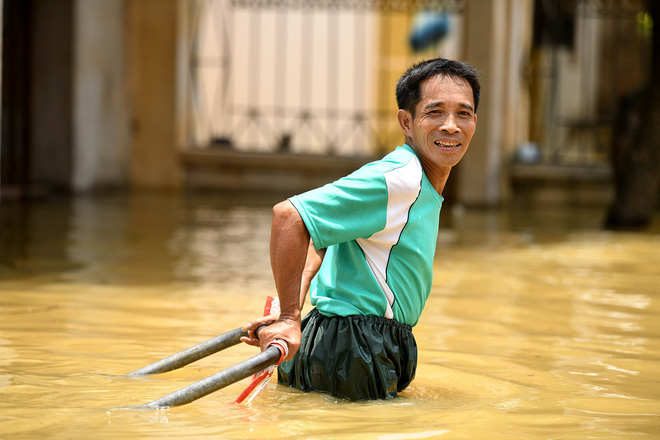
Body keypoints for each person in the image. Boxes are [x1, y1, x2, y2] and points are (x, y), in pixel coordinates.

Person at [241, 57, 480, 400]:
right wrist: (290, 317)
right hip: (357, 346)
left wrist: (288, 305)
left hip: (341, 340)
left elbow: (321, 237)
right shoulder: (401, 179)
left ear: (475, 122)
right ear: (406, 122)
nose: (451, 126)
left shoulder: (414, 179)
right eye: (435, 112)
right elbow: (290, 216)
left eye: (464, 113)